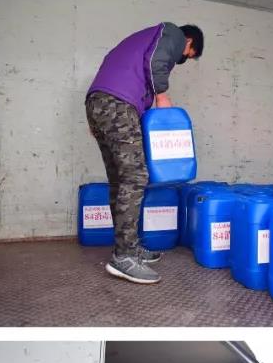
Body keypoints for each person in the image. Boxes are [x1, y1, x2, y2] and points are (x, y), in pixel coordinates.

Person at [85, 23, 204, 285]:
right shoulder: (171, 32)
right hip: (117, 104)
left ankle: (128, 245)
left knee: (120, 181)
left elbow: (111, 67)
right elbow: (156, 61)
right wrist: (162, 96)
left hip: (100, 103)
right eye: (187, 55)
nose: (182, 59)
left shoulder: (139, 43)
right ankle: (124, 257)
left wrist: (96, 116)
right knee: (136, 176)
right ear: (189, 41)